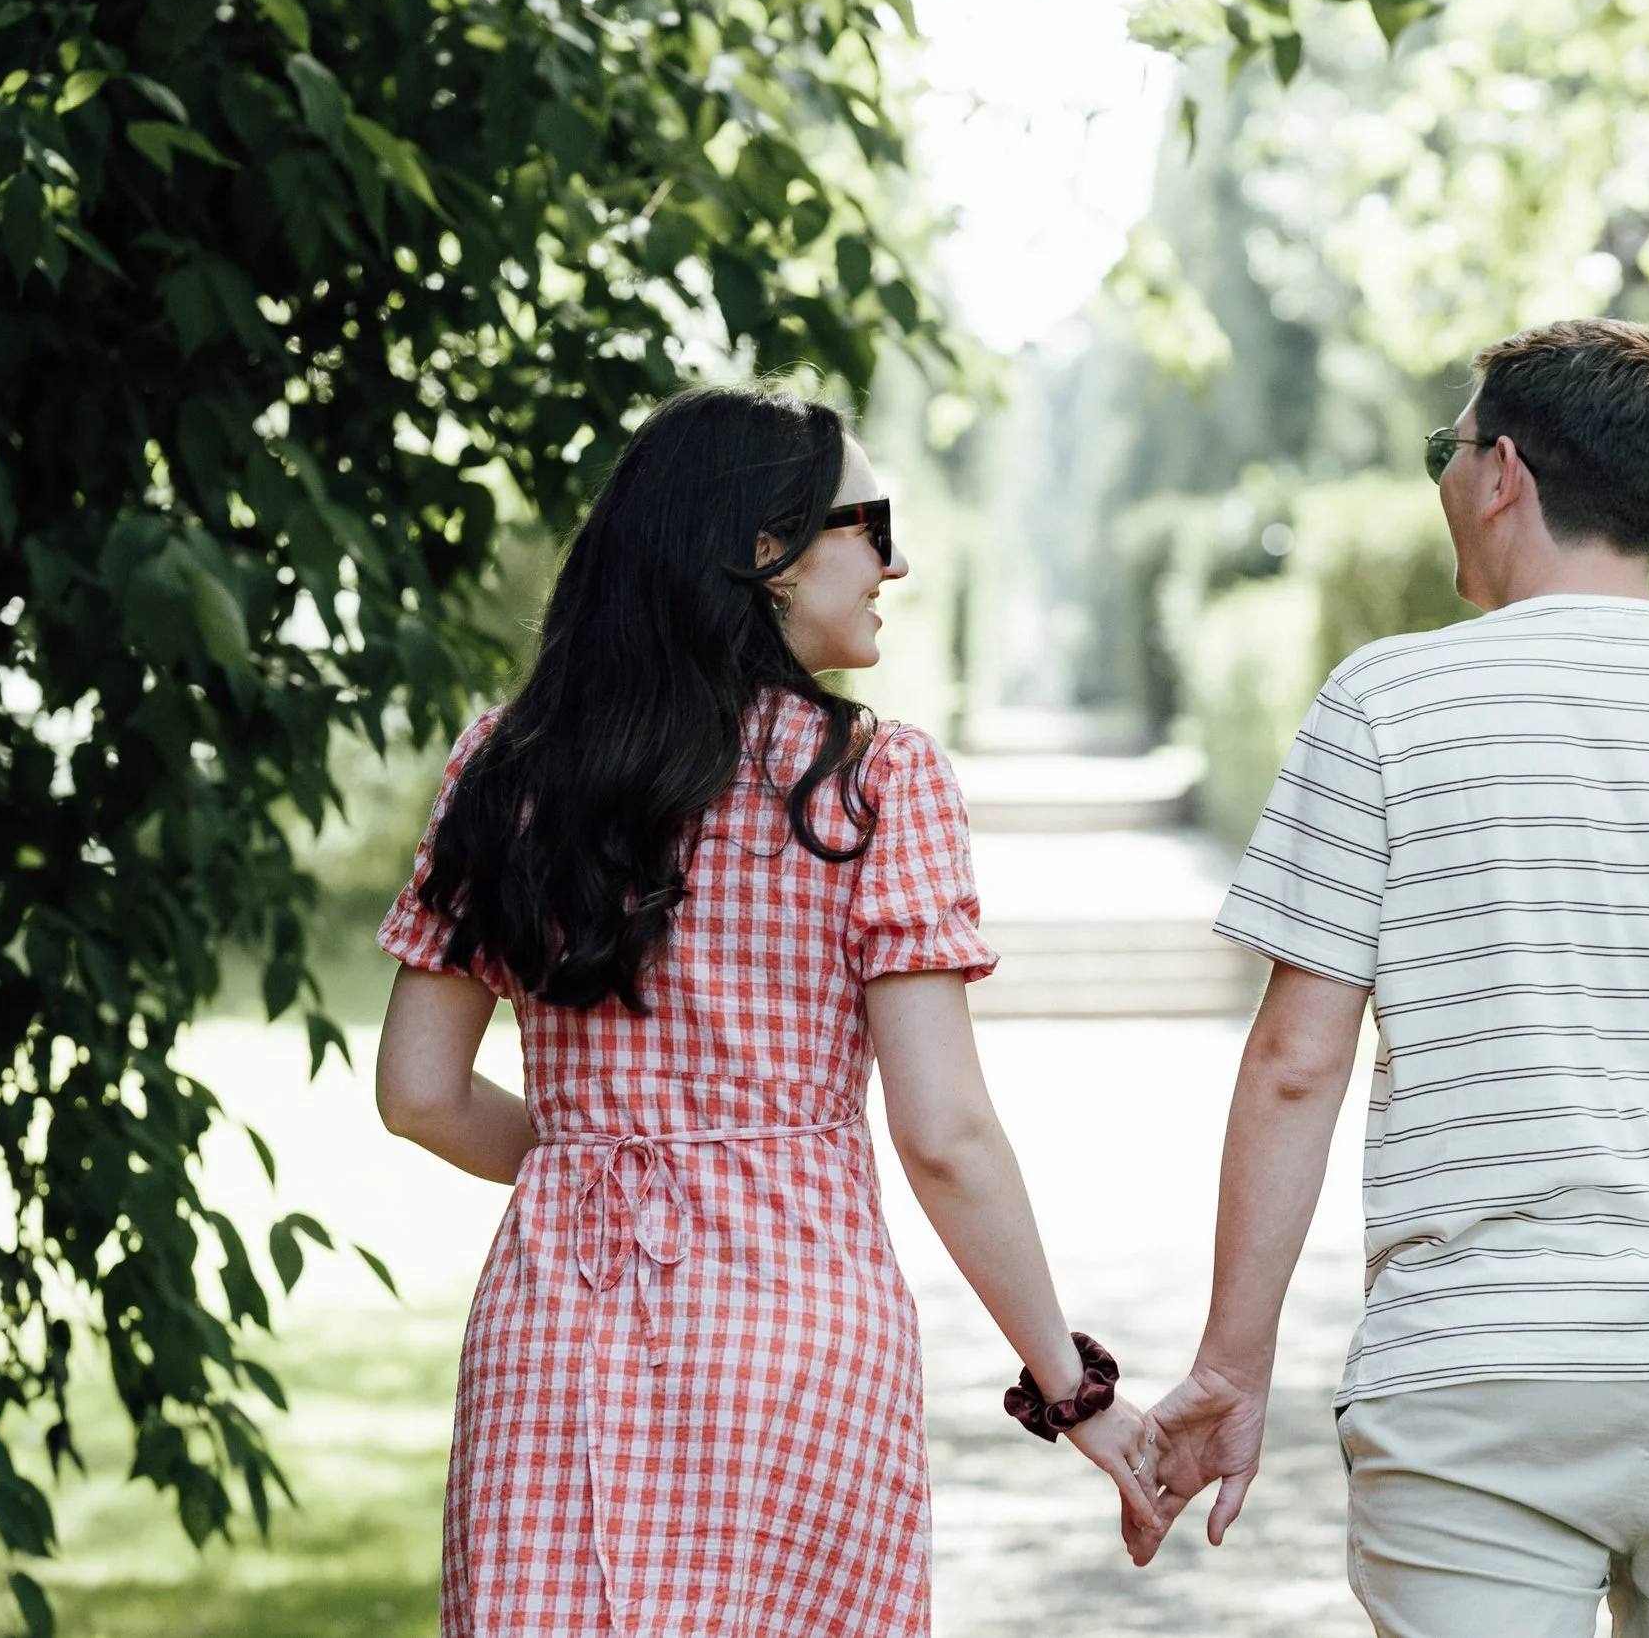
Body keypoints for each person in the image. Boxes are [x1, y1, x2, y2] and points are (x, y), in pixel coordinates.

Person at [1138, 319, 1649, 1635]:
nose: (1445, 479)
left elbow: (1299, 1061)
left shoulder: (1384, 705)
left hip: (1477, 1369)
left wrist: (1233, 1362)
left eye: (1444, 451)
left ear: (1501, 470)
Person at [370, 385, 1157, 1637]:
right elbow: (943, 1133)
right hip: (797, 1339)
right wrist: (1074, 1390)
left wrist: (598, 1159)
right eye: (869, 522)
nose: (896, 559)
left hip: (551, 1337)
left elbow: (417, 1092)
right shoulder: (871, 782)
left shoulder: (505, 765)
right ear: (763, 555)